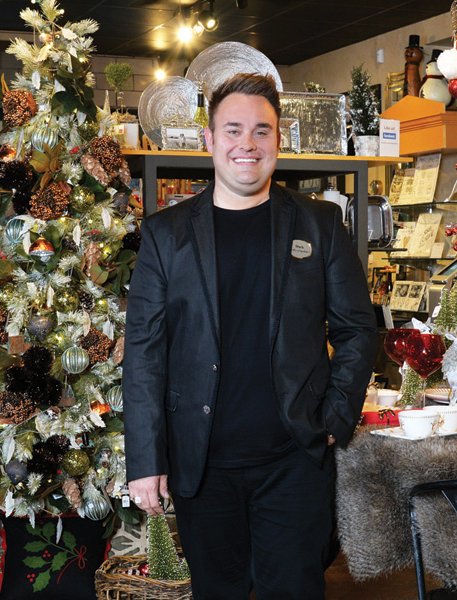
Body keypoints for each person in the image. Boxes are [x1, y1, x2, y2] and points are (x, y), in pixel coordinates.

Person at [123, 73, 378, 599]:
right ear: (210, 140)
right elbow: (144, 354)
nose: (248, 143)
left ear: (278, 140)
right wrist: (146, 461)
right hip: (201, 465)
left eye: (262, 131)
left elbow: (357, 329)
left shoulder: (320, 224)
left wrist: (335, 417)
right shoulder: (166, 234)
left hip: (294, 462)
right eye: (233, 130)